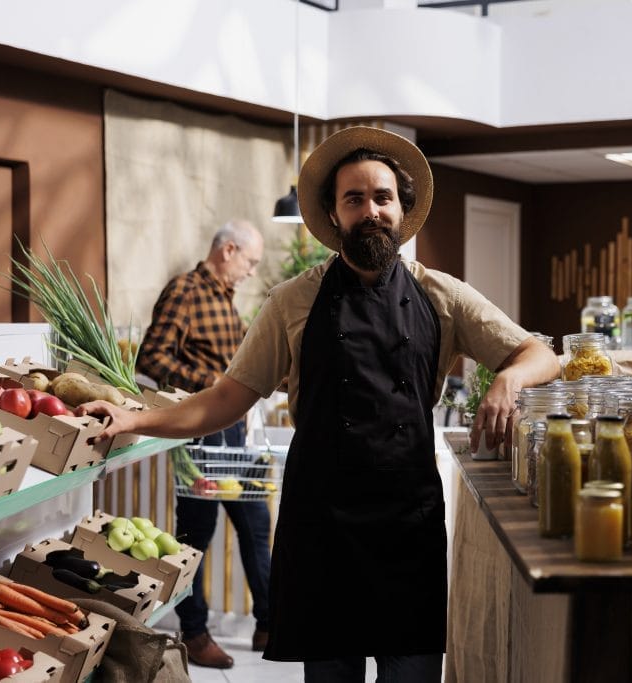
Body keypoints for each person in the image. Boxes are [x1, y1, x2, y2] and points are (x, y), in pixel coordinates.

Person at [80, 126, 560, 682]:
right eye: (353, 199)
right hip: (323, 528)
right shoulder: (293, 301)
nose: (370, 210)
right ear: (334, 215)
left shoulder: (442, 295)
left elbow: (538, 353)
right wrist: (134, 418)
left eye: (382, 197)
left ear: (403, 208)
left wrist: (508, 381)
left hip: (408, 528)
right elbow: (227, 399)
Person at [136, 219, 270, 669]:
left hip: (234, 430)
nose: (252, 272)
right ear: (228, 251)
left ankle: (270, 623)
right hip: (202, 430)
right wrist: (215, 387)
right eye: (250, 262)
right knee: (196, 534)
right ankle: (193, 632)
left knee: (256, 526)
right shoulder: (185, 291)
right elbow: (151, 358)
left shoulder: (225, 299)